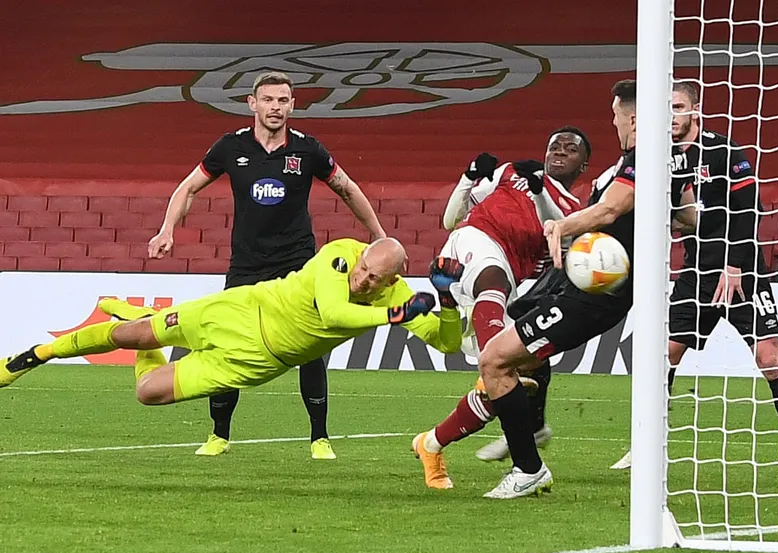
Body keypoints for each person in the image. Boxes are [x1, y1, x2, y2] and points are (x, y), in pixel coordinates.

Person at [0, 239, 466, 441]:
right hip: (239, 312)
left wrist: (445, 302)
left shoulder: (397, 295)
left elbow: (447, 344)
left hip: (258, 363)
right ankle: (35, 355)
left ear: (393, 280)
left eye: (374, 278)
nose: (363, 279)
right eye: (365, 268)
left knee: (147, 392)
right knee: (131, 332)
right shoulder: (340, 255)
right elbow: (332, 311)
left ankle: (146, 319)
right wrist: (393, 314)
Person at [147, 71, 387, 460]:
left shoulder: (308, 151)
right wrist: (167, 230)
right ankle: (218, 434)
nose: (276, 107)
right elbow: (188, 186)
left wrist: (378, 236)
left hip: (297, 266)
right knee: (227, 346)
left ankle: (319, 438)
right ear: (252, 104)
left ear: (293, 105)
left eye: (283, 100)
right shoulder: (230, 147)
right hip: (247, 265)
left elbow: (347, 187)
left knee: (310, 348)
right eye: (269, 100)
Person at [608, 81, 778, 476]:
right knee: (662, 356)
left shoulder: (723, 150)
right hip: (696, 271)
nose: (672, 115)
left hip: (743, 271)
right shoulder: (657, 156)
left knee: (769, 359)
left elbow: (748, 211)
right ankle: (645, 446)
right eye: (666, 107)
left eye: (679, 106)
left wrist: (735, 265)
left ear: (695, 110)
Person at [410, 128, 590, 489]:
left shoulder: (576, 212)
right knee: (493, 283)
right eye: (555, 144)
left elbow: (558, 229)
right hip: (472, 244)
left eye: (571, 149)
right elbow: (450, 219)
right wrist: (469, 176)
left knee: (503, 385)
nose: (560, 150)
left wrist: (539, 191)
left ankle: (431, 443)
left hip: (494, 290)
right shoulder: (511, 173)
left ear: (583, 165)